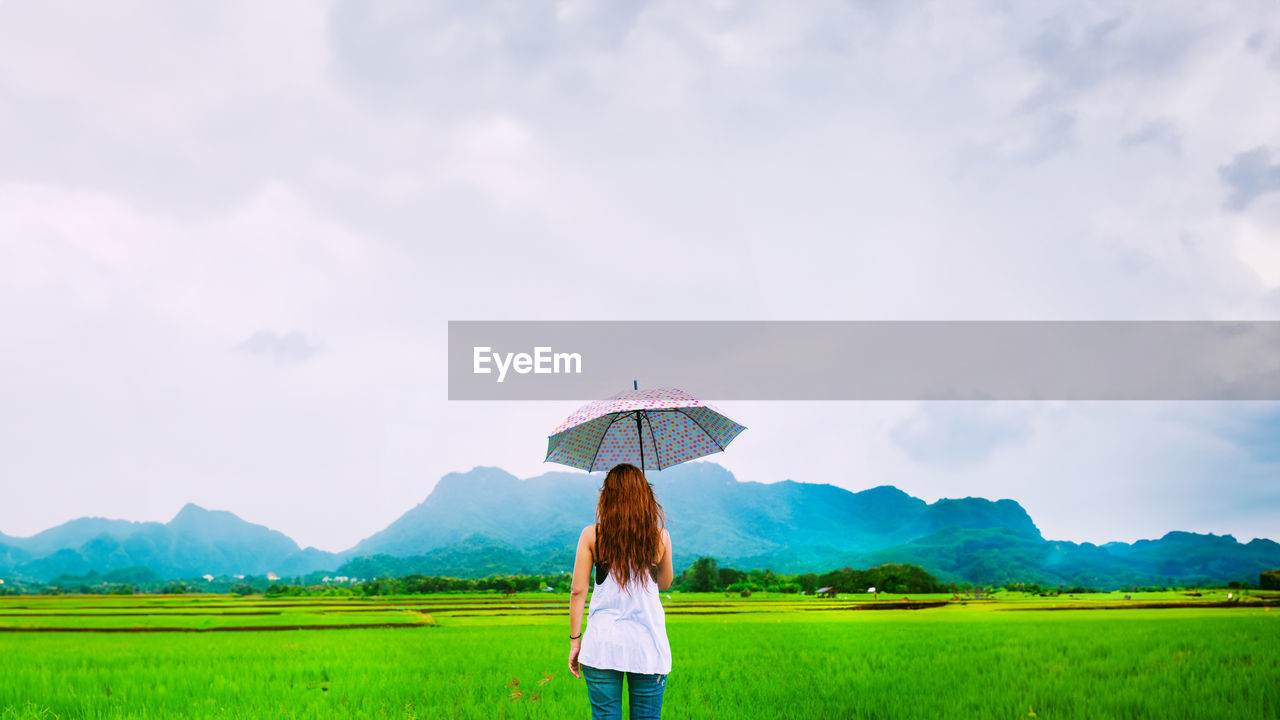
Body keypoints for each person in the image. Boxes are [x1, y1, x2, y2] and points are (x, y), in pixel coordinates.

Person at [568, 463, 675, 720]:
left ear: (607, 496)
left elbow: (577, 591)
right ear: (645, 496)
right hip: (648, 645)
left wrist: (575, 641)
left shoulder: (592, 535)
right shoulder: (660, 536)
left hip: (602, 645)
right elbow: (664, 583)